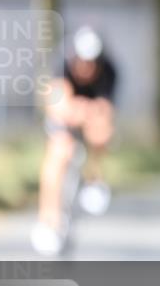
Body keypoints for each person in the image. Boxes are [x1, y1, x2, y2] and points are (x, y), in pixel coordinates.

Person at [31, 26, 118, 255]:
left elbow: (105, 110)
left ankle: (94, 178)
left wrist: (89, 116)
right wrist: (82, 111)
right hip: (64, 114)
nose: (86, 68)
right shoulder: (60, 67)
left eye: (92, 63)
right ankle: (47, 218)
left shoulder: (109, 71)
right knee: (59, 152)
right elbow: (58, 105)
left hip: (88, 114)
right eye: (82, 62)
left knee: (101, 132)